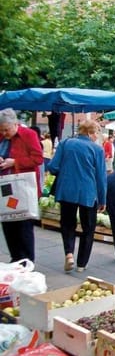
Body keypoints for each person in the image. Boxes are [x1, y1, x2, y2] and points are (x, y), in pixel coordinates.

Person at [47, 119, 107, 272]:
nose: (97, 136)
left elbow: (53, 167)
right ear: (90, 132)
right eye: (96, 133)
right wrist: (102, 199)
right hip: (88, 192)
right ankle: (81, 264)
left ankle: (69, 253)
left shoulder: (65, 143)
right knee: (88, 228)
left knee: (67, 224)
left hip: (66, 190)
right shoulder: (97, 149)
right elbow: (101, 177)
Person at [0, 109, 43, 263]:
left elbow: (37, 158)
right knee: (8, 222)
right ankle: (15, 257)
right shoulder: (2, 137)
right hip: (5, 185)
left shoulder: (29, 135)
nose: (4, 133)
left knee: (23, 225)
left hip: (23, 187)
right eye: (2, 130)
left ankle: (26, 260)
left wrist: (15, 162)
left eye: (7, 129)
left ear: (15, 124)